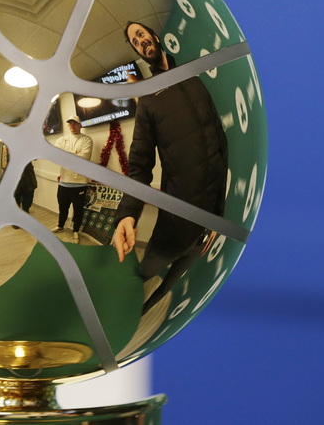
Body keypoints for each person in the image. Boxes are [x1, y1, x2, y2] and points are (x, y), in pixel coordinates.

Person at [112, 21, 228, 313]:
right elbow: (139, 167)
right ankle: (123, 321)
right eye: (134, 43)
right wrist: (127, 215)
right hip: (175, 223)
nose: (140, 42)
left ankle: (148, 311)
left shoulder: (192, 77)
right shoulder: (149, 100)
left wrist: (218, 215)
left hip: (206, 221)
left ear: (155, 37)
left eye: (141, 35)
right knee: (139, 279)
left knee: (170, 284)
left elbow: (220, 145)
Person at [52, 116, 94, 243]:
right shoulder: (62, 139)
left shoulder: (87, 139)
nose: (72, 126)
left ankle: (75, 231)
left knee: (78, 210)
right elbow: (55, 155)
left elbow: (85, 157)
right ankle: (60, 226)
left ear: (80, 125)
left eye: (75, 124)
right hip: (64, 182)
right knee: (62, 208)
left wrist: (66, 154)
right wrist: (75, 153)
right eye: (70, 124)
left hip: (80, 183)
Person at [13, 162, 38, 229]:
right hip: (15, 179)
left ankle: (25, 217)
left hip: (28, 180)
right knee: (16, 200)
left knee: (28, 200)